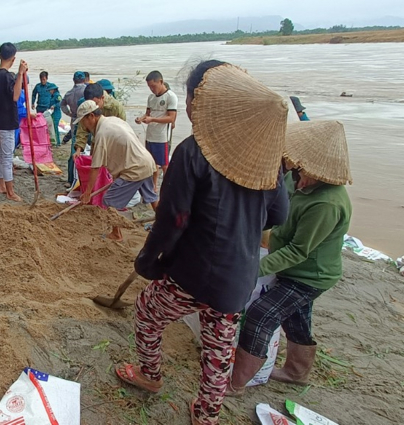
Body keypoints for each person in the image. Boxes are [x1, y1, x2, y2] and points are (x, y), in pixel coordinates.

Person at [120, 60, 289, 425]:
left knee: (148, 312)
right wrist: (241, 223)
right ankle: (206, 414)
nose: (188, 105)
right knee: (219, 346)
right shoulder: (266, 156)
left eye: (189, 97)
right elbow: (277, 215)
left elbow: (173, 220)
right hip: (238, 277)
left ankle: (150, 375)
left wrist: (149, 259)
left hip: (195, 273)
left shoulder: (193, 151)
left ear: (203, 101)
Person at [228, 120, 352, 397]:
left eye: (306, 174)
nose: (299, 178)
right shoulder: (296, 178)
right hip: (286, 262)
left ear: (324, 174)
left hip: (310, 275)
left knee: (261, 314)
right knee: (296, 317)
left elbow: (298, 251)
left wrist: (253, 268)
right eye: (299, 170)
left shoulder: (327, 203)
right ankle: (297, 372)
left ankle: (236, 383)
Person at [76, 100, 158, 241]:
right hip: (146, 162)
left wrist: (88, 192)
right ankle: (165, 224)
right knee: (152, 197)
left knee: (109, 200)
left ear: (91, 116)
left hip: (134, 169)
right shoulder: (114, 120)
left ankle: (116, 234)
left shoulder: (102, 133)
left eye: (83, 121)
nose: (84, 125)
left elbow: (95, 167)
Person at [0, 42, 28, 202]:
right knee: (7, 157)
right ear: (13, 59)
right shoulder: (7, 76)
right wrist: (20, 74)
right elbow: (15, 96)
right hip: (6, 122)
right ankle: (10, 192)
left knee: (1, 155)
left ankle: (1, 186)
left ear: (0, 56)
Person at [135, 70, 178, 187]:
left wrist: (152, 119)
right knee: (152, 162)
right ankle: (153, 186)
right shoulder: (151, 97)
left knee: (164, 164)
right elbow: (148, 113)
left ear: (161, 82)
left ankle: (168, 185)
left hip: (162, 136)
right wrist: (141, 118)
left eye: (153, 86)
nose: (152, 89)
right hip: (150, 135)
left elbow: (171, 118)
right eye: (149, 87)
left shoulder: (170, 97)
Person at [73, 82, 127, 160]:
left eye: (96, 103)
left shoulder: (116, 107)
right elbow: (82, 129)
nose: (93, 106)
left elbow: (122, 131)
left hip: (113, 145)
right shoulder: (87, 106)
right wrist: (78, 150)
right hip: (97, 142)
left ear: (102, 98)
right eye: (90, 103)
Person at [61, 71, 88, 185]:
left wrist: (69, 113)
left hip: (74, 119)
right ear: (84, 79)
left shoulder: (69, 93)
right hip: (86, 120)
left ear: (73, 80)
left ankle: (70, 179)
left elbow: (62, 105)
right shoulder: (86, 91)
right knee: (87, 148)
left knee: (74, 147)